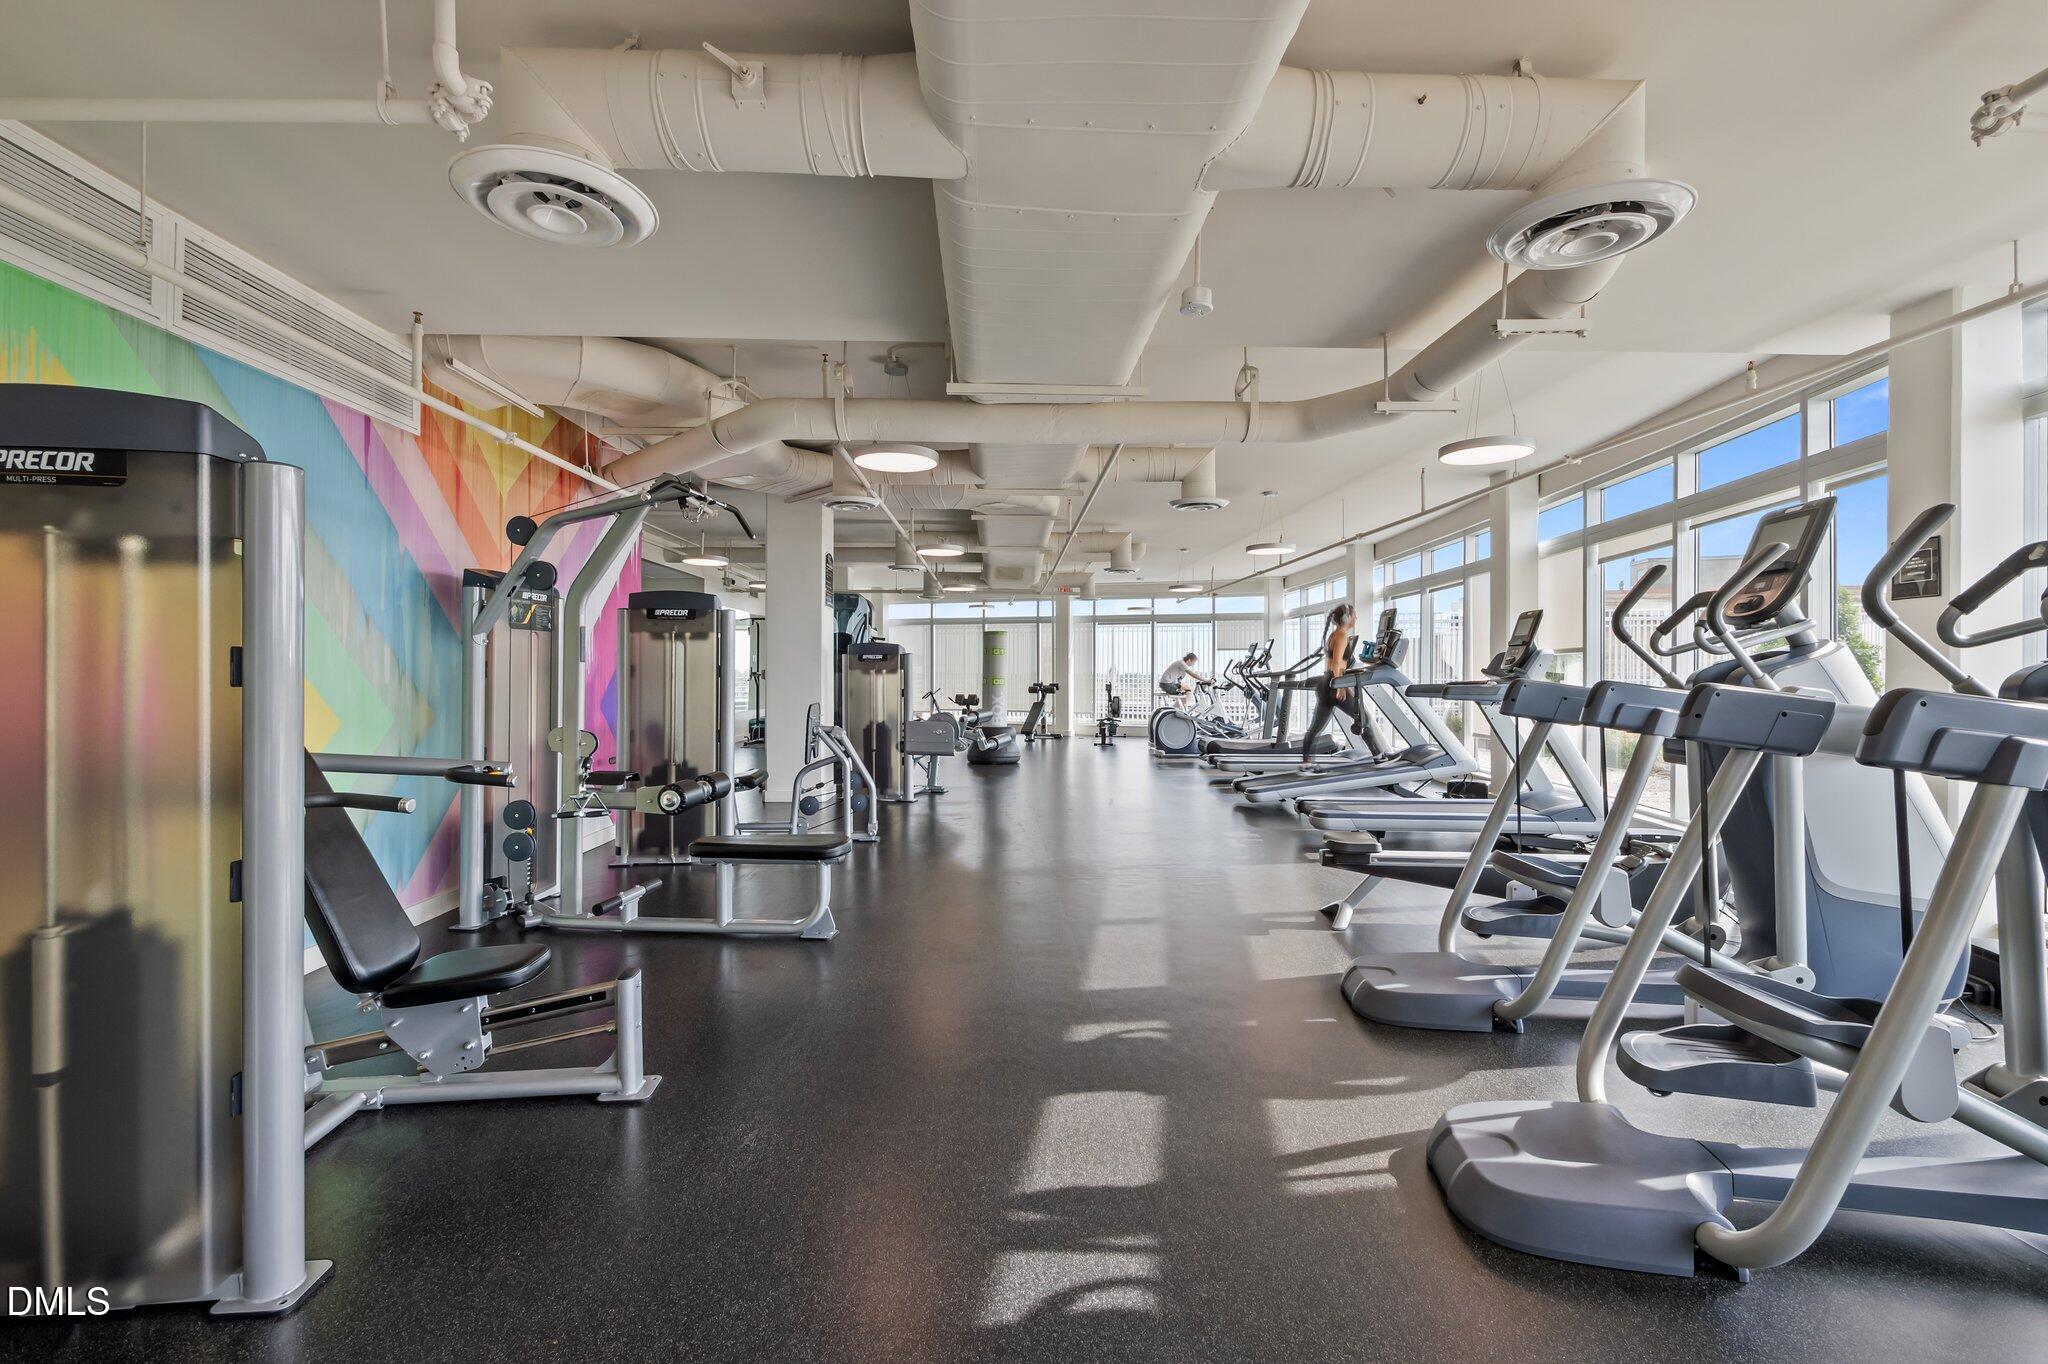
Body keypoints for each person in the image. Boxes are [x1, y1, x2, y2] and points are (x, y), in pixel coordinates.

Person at [1301, 604, 1381, 760]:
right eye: (1354, 614)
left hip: (1325, 683)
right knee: (1364, 719)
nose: (1356, 617)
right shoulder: (1343, 635)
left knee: (1315, 728)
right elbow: (1337, 662)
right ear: (1347, 617)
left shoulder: (1334, 634)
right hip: (1334, 683)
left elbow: (1333, 663)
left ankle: (1306, 764)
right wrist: (1341, 687)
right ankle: (1380, 757)